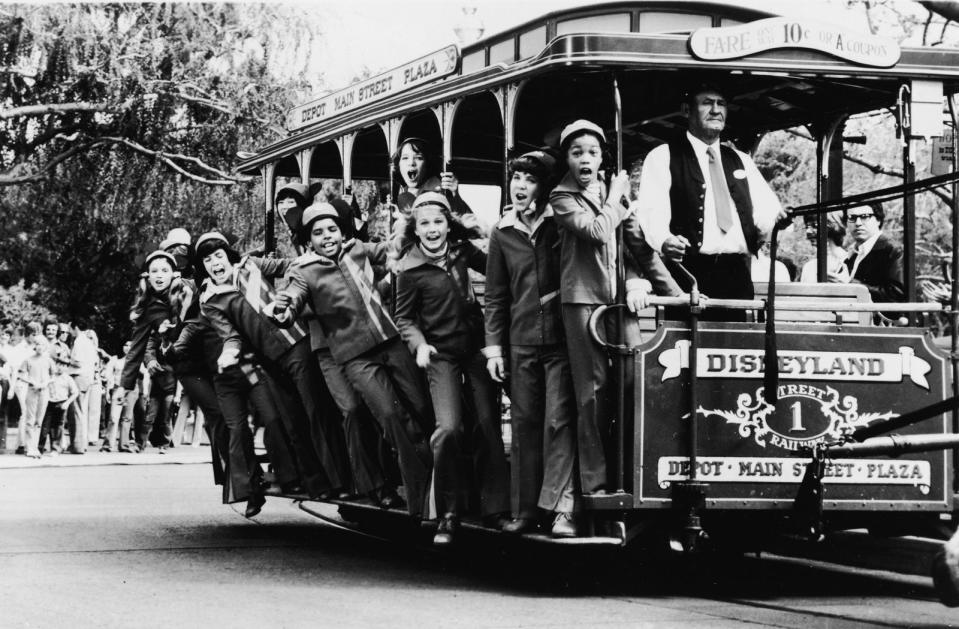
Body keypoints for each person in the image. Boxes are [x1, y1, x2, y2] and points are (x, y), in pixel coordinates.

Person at [272, 204, 434, 519]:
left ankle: (441, 480)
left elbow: (391, 249)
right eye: (318, 233)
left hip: (389, 340)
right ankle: (394, 490)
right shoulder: (303, 269)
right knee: (376, 413)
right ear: (309, 240)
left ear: (342, 230)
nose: (327, 236)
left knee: (421, 407)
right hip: (348, 353)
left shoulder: (357, 249)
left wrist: (407, 225)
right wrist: (284, 309)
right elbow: (293, 295)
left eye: (331, 229)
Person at [549, 119, 680, 505]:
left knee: (630, 384)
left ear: (602, 156)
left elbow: (639, 247)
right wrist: (617, 198)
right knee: (591, 395)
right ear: (568, 160)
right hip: (582, 303)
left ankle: (632, 473)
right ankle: (595, 486)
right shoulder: (562, 197)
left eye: (592, 152)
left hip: (619, 303)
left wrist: (679, 294)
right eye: (577, 153)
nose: (585, 160)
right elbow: (596, 232)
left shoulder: (614, 193)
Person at [195, 231, 350, 500]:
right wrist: (229, 352)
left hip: (297, 345)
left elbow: (291, 265)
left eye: (219, 256)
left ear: (228, 256)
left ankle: (341, 482)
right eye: (208, 260)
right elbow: (229, 334)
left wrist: (288, 295)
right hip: (269, 362)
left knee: (316, 412)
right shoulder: (210, 298)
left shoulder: (251, 265)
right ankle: (318, 485)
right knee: (292, 422)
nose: (215, 263)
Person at [394, 192, 510, 545]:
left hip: (474, 349)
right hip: (440, 354)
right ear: (415, 229)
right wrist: (419, 345)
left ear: (448, 225)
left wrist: (488, 230)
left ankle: (497, 508)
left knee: (488, 423)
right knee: (449, 429)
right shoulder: (409, 269)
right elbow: (404, 318)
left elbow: (496, 266)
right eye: (424, 223)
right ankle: (447, 512)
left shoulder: (461, 252)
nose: (432, 229)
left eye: (438, 222)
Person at [484, 150, 580, 537]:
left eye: (530, 179)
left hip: (560, 338)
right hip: (521, 340)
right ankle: (523, 510)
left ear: (544, 186)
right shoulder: (502, 231)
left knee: (558, 421)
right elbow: (496, 294)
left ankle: (561, 509)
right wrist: (494, 348)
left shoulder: (559, 223)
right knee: (524, 423)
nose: (520, 186)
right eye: (516, 178)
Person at [636, 83, 787, 310]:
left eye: (721, 104)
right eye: (707, 103)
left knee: (739, 343)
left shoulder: (741, 161)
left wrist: (777, 221)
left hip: (736, 274)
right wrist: (665, 240)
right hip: (687, 274)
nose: (716, 110)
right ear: (687, 110)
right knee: (689, 343)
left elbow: (765, 214)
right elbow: (651, 213)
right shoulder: (663, 157)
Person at [844, 202, 905, 303]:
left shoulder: (893, 250)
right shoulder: (852, 253)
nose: (858, 223)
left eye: (864, 217)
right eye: (852, 217)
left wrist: (850, 284)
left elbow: (896, 295)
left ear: (878, 220)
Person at [16, 335, 52, 459]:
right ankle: (30, 447)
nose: (39, 347)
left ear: (45, 346)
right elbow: (20, 375)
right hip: (32, 391)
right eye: (37, 344)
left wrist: (45, 383)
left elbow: (53, 375)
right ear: (34, 346)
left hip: (44, 391)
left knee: (39, 421)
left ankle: (35, 447)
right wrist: (31, 381)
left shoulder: (48, 360)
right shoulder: (28, 360)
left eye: (42, 344)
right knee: (30, 420)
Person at [39, 362, 79, 456]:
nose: (60, 367)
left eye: (63, 366)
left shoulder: (68, 379)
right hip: (49, 402)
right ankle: (40, 448)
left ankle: (55, 449)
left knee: (57, 427)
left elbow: (75, 392)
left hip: (61, 403)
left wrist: (67, 403)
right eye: (59, 365)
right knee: (45, 426)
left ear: (66, 368)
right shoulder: (51, 376)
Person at [799, 213, 850, 283]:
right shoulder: (809, 267)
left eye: (815, 226)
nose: (808, 231)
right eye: (807, 226)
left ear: (833, 227)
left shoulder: (850, 261)